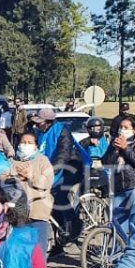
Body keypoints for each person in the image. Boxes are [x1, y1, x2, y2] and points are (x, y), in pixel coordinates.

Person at [31, 107, 84, 249]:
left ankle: (74, 223)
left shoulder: (62, 131)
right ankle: (59, 240)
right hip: (52, 169)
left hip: (71, 167)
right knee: (48, 202)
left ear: (49, 122)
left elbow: (63, 154)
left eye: (40, 123)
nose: (37, 125)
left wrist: (49, 171)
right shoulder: (40, 133)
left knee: (58, 196)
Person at [2, 131, 54, 249]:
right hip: (16, 213)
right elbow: (3, 180)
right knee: (18, 248)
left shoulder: (43, 161)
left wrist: (31, 176)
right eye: (23, 142)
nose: (26, 145)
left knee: (39, 249)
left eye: (30, 143)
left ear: (36, 146)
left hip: (38, 211)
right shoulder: (11, 162)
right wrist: (17, 176)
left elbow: (47, 182)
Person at [101, 115, 135, 197]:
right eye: (121, 127)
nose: (122, 130)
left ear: (134, 130)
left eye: (126, 127)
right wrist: (115, 150)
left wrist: (125, 148)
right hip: (118, 187)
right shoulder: (115, 141)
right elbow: (105, 163)